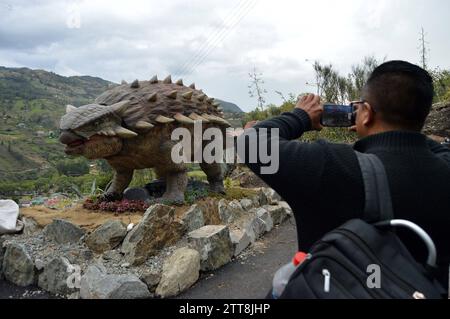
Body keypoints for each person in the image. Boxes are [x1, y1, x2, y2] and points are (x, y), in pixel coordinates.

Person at [239, 60, 450, 289]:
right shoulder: (444, 165)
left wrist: (300, 116)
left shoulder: (331, 166)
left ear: (366, 113)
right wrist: (380, 126)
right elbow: (425, 144)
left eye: (359, 107)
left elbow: (252, 142)